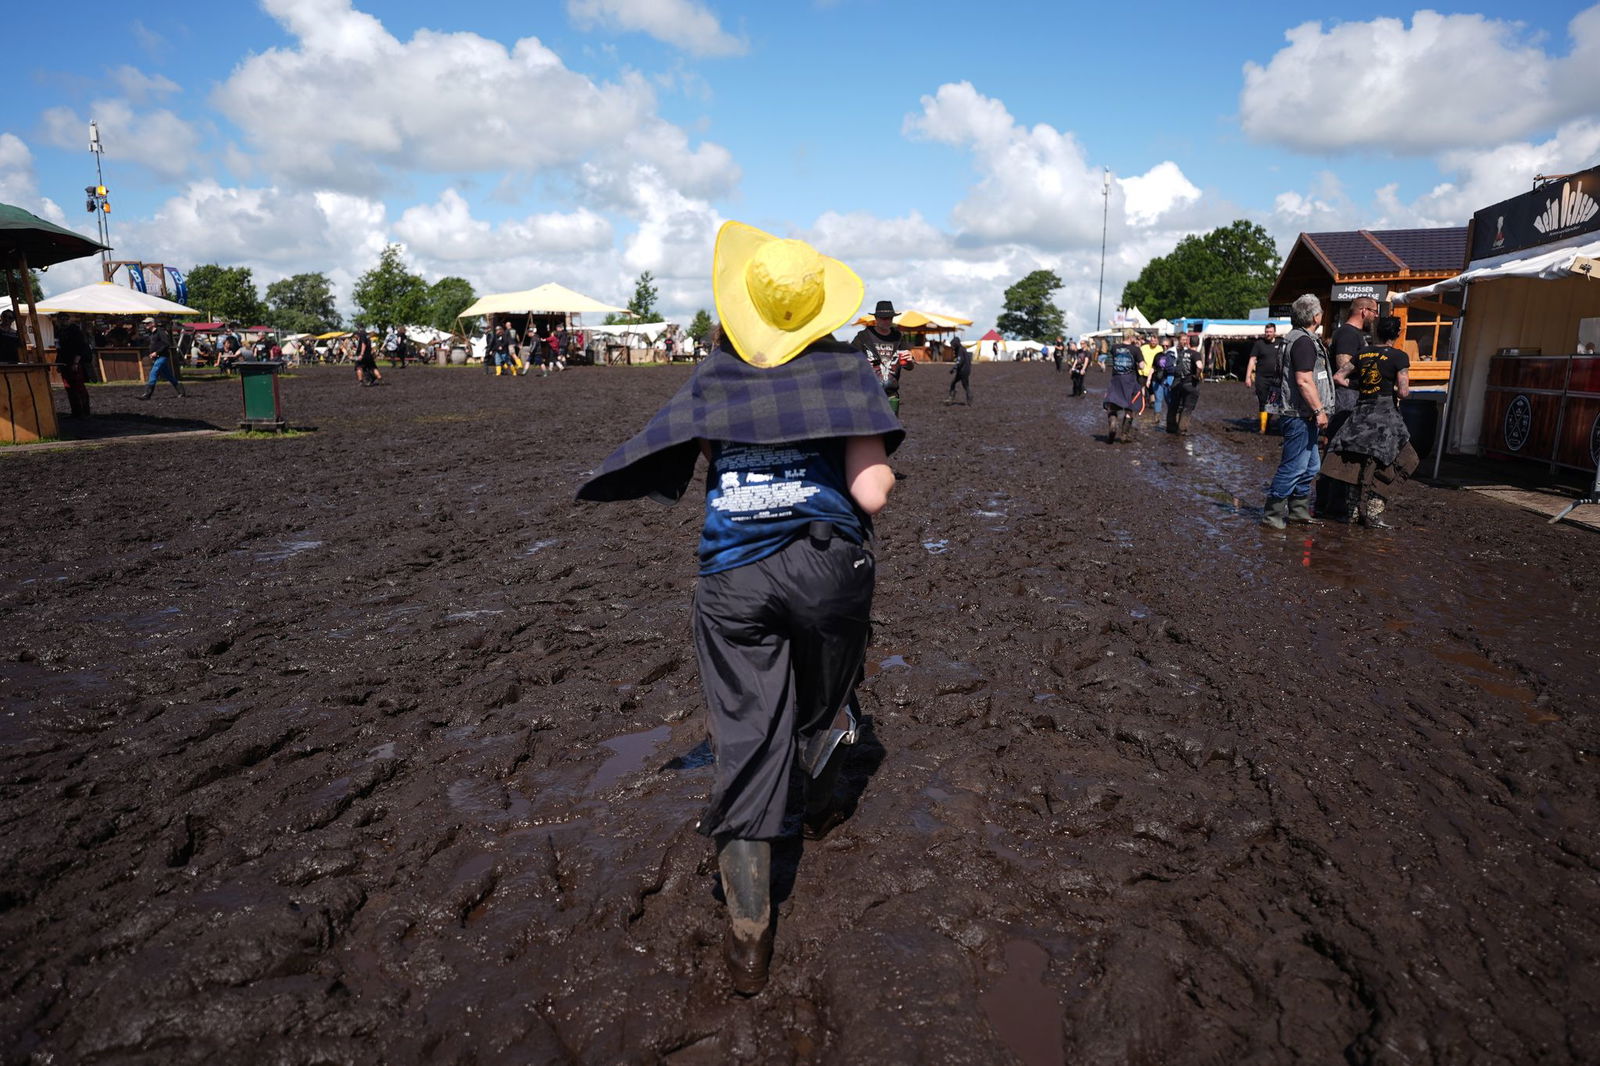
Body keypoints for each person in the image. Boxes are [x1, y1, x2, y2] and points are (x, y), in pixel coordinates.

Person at [577, 221, 901, 996]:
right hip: (829, 568)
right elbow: (871, 494)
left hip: (734, 579)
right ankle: (820, 785)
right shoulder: (848, 371)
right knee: (824, 705)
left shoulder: (716, 376)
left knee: (749, 735)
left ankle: (749, 932)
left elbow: (692, 453)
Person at [1326, 316, 1413, 527]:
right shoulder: (1400, 356)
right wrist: (1392, 388)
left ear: (1377, 332)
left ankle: (1352, 512)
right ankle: (1373, 512)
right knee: (1400, 459)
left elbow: (1338, 377)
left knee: (1355, 461)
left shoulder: (1362, 353)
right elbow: (1403, 392)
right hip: (1385, 419)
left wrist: (1358, 386)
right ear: (1397, 334)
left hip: (1360, 417)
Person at [1262, 295, 1333, 529]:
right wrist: (1319, 410)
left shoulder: (1297, 338)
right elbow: (1303, 380)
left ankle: (1298, 510)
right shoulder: (1303, 342)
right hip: (1299, 414)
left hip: (1302, 413)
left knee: (1311, 466)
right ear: (1315, 317)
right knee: (1294, 466)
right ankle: (1272, 515)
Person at [1318, 296, 1378, 521]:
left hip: (1351, 396)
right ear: (1364, 311)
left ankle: (1333, 503)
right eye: (1374, 311)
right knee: (1337, 449)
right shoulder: (1347, 334)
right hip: (1345, 398)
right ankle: (1328, 504)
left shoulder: (1354, 334)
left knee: (1343, 449)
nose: (1376, 316)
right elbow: (1343, 367)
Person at [851, 300, 914, 416]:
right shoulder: (863, 336)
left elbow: (909, 367)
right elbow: (850, 360)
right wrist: (862, 363)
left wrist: (909, 360)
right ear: (876, 318)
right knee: (869, 425)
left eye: (890, 318)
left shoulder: (898, 336)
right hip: (868, 393)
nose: (887, 321)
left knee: (892, 426)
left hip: (891, 395)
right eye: (883, 318)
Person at [1103, 333, 1147, 444]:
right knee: (1130, 406)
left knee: (1112, 405)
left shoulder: (1114, 347)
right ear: (1131, 337)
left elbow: (1108, 353)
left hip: (1116, 380)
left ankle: (1113, 424)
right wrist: (1139, 355)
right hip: (1130, 381)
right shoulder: (1135, 349)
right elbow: (1142, 366)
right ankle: (1124, 435)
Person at [1245, 324, 1285, 434]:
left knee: (1274, 402)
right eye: (1266, 332)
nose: (1268, 334)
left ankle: (1268, 422)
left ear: (1274, 332)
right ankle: (1262, 428)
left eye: (1270, 332)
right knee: (1263, 401)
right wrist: (1248, 377)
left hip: (1276, 378)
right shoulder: (1259, 344)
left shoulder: (1280, 342)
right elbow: (1252, 360)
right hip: (1261, 378)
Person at [54, 312, 93, 418]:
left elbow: (81, 347)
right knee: (69, 388)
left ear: (69, 320)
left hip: (75, 362)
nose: (63, 321)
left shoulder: (75, 330)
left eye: (65, 319)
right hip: (64, 362)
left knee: (79, 386)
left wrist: (76, 362)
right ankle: (76, 412)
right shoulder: (59, 332)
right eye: (61, 319)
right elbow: (59, 349)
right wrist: (58, 363)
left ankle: (85, 412)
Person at [138, 316, 186, 399]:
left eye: (147, 323)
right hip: (157, 357)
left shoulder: (160, 332)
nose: (145, 325)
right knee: (168, 375)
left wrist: (156, 352)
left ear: (153, 324)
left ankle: (147, 394)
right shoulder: (151, 334)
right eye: (145, 323)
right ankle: (181, 390)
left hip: (162, 356)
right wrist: (152, 353)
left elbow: (166, 344)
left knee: (153, 372)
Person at [1165, 333, 1203, 434]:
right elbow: (1199, 366)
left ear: (1189, 342)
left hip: (1179, 382)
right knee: (1187, 407)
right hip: (1190, 383)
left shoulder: (1182, 353)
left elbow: (1177, 366)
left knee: (1174, 405)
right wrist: (1197, 376)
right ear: (1198, 344)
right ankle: (1181, 429)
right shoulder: (1196, 354)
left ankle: (1170, 426)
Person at [946, 335, 973, 405]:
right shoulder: (963, 349)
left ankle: (951, 398)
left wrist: (954, 368)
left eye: (953, 345)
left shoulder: (960, 350)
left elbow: (959, 361)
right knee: (964, 385)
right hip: (966, 370)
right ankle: (969, 398)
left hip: (963, 370)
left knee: (961, 384)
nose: (952, 347)